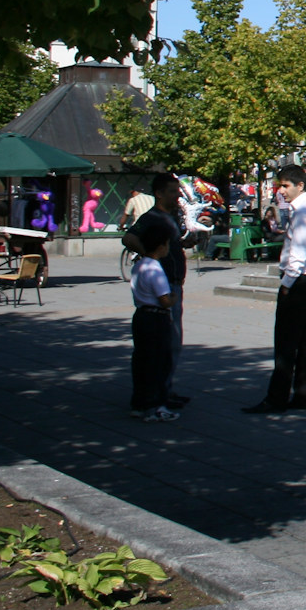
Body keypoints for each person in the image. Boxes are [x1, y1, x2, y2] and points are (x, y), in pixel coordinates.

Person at [244, 165, 306, 413]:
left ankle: (276, 398)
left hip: (300, 281)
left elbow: (298, 256)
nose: (282, 190)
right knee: (304, 341)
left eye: (286, 185)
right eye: (281, 185)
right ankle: (303, 395)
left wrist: (286, 285)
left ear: (300, 185)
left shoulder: (302, 214)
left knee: (286, 344)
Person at [124, 172, 190, 411]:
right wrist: (149, 254)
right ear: (159, 193)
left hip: (172, 282)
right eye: (172, 191)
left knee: (171, 342)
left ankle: (165, 388)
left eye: (178, 191)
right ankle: (159, 392)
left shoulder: (171, 217)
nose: (177, 196)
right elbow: (129, 237)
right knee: (165, 343)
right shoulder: (152, 217)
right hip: (164, 287)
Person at [127, 232, 179, 423]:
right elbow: (164, 300)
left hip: (141, 314)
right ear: (160, 247)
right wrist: (174, 298)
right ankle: (155, 405)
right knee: (158, 361)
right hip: (156, 317)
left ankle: (139, 403)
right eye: (166, 244)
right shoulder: (155, 269)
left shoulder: (138, 265)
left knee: (141, 360)